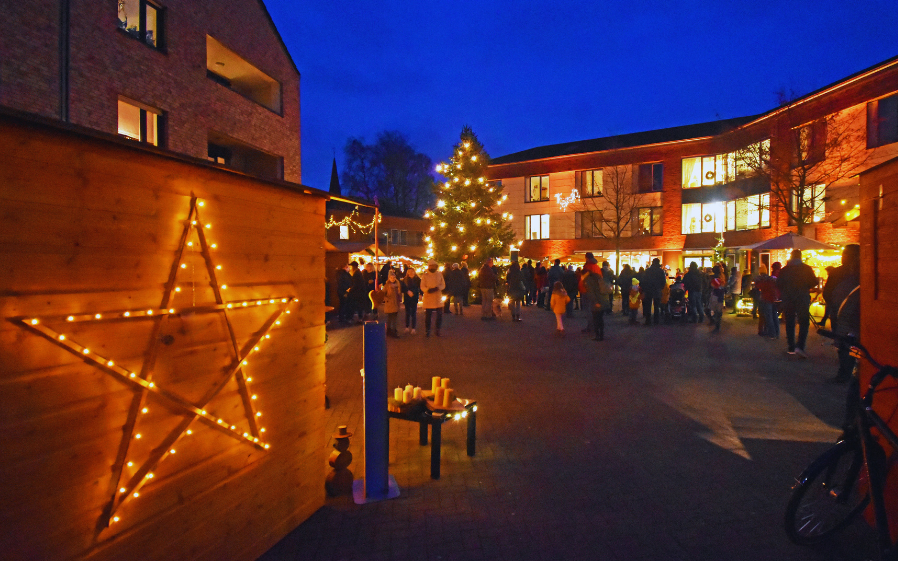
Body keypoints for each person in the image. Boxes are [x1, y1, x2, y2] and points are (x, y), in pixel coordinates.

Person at [827, 244, 861, 383]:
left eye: (845, 254)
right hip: (853, 317)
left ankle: (846, 372)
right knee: (854, 345)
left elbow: (828, 292)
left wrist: (834, 306)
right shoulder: (862, 273)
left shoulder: (839, 273)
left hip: (843, 315)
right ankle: (854, 371)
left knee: (843, 344)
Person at [777, 249, 818, 357]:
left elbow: (779, 283)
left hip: (789, 298)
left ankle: (791, 346)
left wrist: (786, 291)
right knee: (804, 321)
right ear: (800, 257)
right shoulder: (806, 269)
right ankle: (800, 346)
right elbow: (814, 282)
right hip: (802, 297)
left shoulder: (785, 270)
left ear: (791, 257)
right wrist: (805, 287)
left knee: (790, 321)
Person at [420, 259, 446, 337]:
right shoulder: (425, 275)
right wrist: (428, 290)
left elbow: (443, 284)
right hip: (429, 298)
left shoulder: (439, 274)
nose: (432, 267)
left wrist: (438, 288)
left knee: (439, 315)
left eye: (433, 266)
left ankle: (438, 329)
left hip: (437, 297)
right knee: (428, 315)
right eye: (430, 266)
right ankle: (427, 330)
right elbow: (422, 286)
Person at [579, 253, 601, 333]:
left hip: (587, 290)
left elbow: (584, 278)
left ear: (587, 258)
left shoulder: (588, 266)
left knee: (588, 310)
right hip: (594, 290)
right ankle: (594, 326)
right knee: (593, 309)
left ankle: (591, 327)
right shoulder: (597, 266)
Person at [641, 258, 666, 325]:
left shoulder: (648, 271)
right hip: (657, 290)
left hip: (648, 290)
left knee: (648, 306)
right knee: (657, 306)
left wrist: (644, 289)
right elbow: (663, 281)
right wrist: (661, 288)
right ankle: (656, 320)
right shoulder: (661, 271)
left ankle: (648, 320)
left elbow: (644, 280)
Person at [754, 265, 777, 338]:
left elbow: (758, 287)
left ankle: (768, 332)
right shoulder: (771, 279)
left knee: (765, 315)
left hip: (764, 298)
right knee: (770, 316)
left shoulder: (761, 279)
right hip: (771, 298)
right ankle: (770, 332)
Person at [583, 268, 605, 341]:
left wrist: (595, 302)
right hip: (602, 300)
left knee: (595, 319)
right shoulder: (599, 277)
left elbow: (591, 293)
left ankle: (597, 335)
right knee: (600, 319)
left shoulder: (588, 280)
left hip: (596, 302)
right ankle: (601, 334)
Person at [382, 270, 402, 338]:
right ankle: (391, 330)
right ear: (389, 278)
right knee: (390, 318)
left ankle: (392, 330)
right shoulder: (387, 285)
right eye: (391, 277)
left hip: (396, 303)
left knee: (394, 318)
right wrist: (386, 299)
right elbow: (382, 294)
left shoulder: (398, 285)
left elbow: (399, 294)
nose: (393, 279)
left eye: (394, 277)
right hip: (389, 304)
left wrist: (400, 299)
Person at [401, 268, 421, 334]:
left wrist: (419, 294)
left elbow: (420, 288)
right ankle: (407, 327)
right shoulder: (405, 279)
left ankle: (413, 328)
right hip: (407, 297)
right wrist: (407, 291)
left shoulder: (418, 279)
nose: (411, 273)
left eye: (412, 271)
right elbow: (402, 288)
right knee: (407, 313)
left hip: (414, 297)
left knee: (413, 313)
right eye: (409, 271)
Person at [708, 267, 726, 333]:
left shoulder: (715, 278)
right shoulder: (722, 276)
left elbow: (713, 286)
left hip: (715, 295)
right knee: (718, 311)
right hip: (720, 295)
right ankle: (717, 326)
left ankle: (716, 325)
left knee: (713, 310)